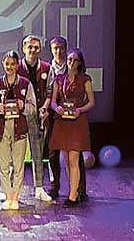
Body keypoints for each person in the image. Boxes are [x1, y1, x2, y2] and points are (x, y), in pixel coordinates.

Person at [0, 51, 37, 210]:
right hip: (2, 128)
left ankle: (15, 196)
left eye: (12, 64)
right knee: (3, 164)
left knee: (18, 165)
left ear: (17, 65)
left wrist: (24, 106)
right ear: (3, 64)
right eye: (7, 64)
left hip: (19, 128)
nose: (9, 67)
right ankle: (8, 195)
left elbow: (33, 108)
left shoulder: (25, 84)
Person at [50, 48, 95, 207]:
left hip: (77, 122)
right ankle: (73, 191)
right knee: (67, 160)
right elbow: (53, 101)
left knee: (74, 159)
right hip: (62, 121)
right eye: (69, 59)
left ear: (80, 62)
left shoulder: (85, 79)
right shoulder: (58, 79)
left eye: (75, 60)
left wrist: (80, 110)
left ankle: (73, 196)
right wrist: (57, 108)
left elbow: (91, 102)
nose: (71, 62)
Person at [43, 36, 87, 200]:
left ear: (66, 49)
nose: (58, 51)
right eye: (55, 48)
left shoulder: (73, 67)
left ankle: (80, 190)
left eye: (61, 48)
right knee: (52, 152)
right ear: (51, 49)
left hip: (73, 117)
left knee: (75, 153)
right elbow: (48, 93)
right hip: (55, 115)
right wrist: (50, 108)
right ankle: (55, 187)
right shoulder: (47, 68)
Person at [17, 35, 53, 202]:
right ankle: (12, 190)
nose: (32, 50)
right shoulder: (16, 67)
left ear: (40, 50)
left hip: (38, 116)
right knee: (15, 154)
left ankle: (39, 188)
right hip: (19, 116)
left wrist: (44, 108)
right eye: (30, 47)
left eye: (36, 47)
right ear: (23, 48)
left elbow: (49, 92)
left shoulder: (46, 68)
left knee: (38, 153)